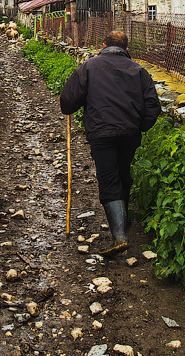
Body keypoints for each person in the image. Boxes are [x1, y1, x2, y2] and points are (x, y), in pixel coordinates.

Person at [60, 30, 161, 257]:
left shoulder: (88, 67)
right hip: (130, 133)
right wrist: (139, 126)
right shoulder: (139, 70)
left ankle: (119, 237)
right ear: (127, 49)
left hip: (102, 133)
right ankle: (123, 221)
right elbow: (153, 106)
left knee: (108, 179)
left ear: (104, 45)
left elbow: (67, 102)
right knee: (123, 172)